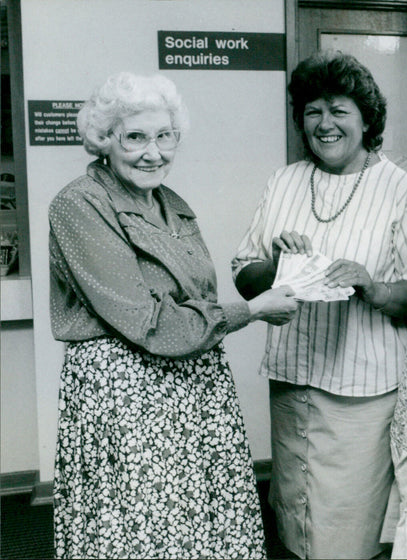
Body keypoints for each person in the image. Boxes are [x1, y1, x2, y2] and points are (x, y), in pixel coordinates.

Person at [49, 71, 299, 559]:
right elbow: (147, 321)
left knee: (202, 525)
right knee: (143, 530)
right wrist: (251, 310)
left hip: (193, 383)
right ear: (103, 141)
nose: (153, 152)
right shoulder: (78, 204)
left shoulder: (170, 202)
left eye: (165, 136)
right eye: (135, 137)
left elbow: (194, 293)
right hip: (126, 395)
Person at [232, 50, 407, 559]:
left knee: (347, 530)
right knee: (294, 517)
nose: (325, 124)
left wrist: (374, 287)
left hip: (361, 389)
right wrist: (276, 266)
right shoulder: (285, 181)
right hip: (292, 375)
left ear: (367, 119)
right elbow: (244, 274)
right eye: (312, 111)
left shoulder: (404, 193)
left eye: (339, 110)